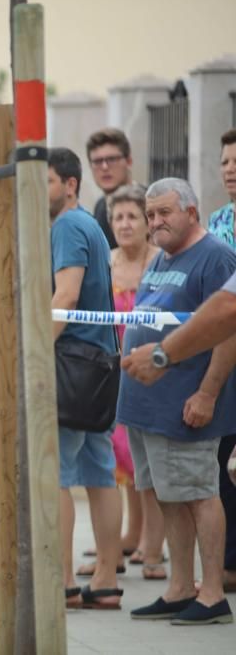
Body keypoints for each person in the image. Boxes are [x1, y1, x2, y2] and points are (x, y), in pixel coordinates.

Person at [116, 178, 236, 625]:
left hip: (185, 402)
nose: (154, 222)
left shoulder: (216, 257)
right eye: (150, 215)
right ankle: (180, 586)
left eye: (163, 213)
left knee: (199, 493)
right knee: (169, 495)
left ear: (191, 210)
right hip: (147, 405)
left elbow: (228, 329)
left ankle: (211, 594)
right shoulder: (163, 256)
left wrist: (206, 393)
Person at [46, 148, 124, 609]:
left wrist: (33, 351)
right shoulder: (88, 225)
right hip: (98, 362)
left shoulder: (69, 225)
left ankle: (62, 582)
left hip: (72, 364)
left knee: (56, 475)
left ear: (70, 185)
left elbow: (66, 294)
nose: (39, 192)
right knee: (99, 474)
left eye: (48, 181)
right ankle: (107, 579)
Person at [76, 184, 165, 582]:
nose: (125, 225)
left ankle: (154, 547)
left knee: (150, 464)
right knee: (120, 461)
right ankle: (128, 538)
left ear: (147, 223)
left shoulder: (161, 263)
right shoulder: (105, 263)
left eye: (133, 216)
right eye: (118, 217)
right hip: (113, 372)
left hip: (156, 372)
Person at [206, 128, 236, 593]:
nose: (230, 170)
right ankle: (228, 564)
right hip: (224, 352)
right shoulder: (217, 220)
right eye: (226, 161)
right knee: (222, 459)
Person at [87, 127, 136, 249]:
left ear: (129, 161)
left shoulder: (148, 201)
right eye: (97, 161)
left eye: (112, 159)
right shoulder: (100, 205)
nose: (104, 167)